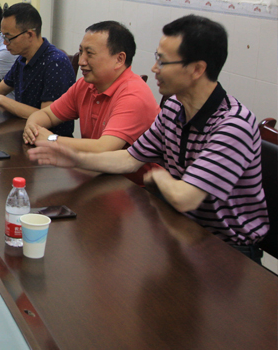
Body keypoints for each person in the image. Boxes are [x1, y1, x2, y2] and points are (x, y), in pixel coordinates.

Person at [29, 15, 268, 261]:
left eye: (162, 61)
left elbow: (185, 198)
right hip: (181, 231)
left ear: (197, 69)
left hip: (227, 251)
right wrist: (75, 158)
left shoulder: (233, 126)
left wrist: (159, 176)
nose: (154, 68)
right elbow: (129, 158)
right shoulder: (175, 108)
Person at [23, 21, 159, 154]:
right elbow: (47, 114)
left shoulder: (133, 94)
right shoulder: (86, 84)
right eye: (81, 52)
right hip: (92, 166)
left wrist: (51, 139)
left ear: (119, 59)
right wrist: (32, 127)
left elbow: (103, 148)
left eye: (90, 53)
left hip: (124, 170)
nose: (81, 61)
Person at [0, 3, 75, 137]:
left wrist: (2, 100)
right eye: (3, 36)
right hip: (24, 131)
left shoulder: (55, 63)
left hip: (50, 140)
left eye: (8, 37)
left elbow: (46, 116)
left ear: (29, 35)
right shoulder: (22, 58)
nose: (4, 43)